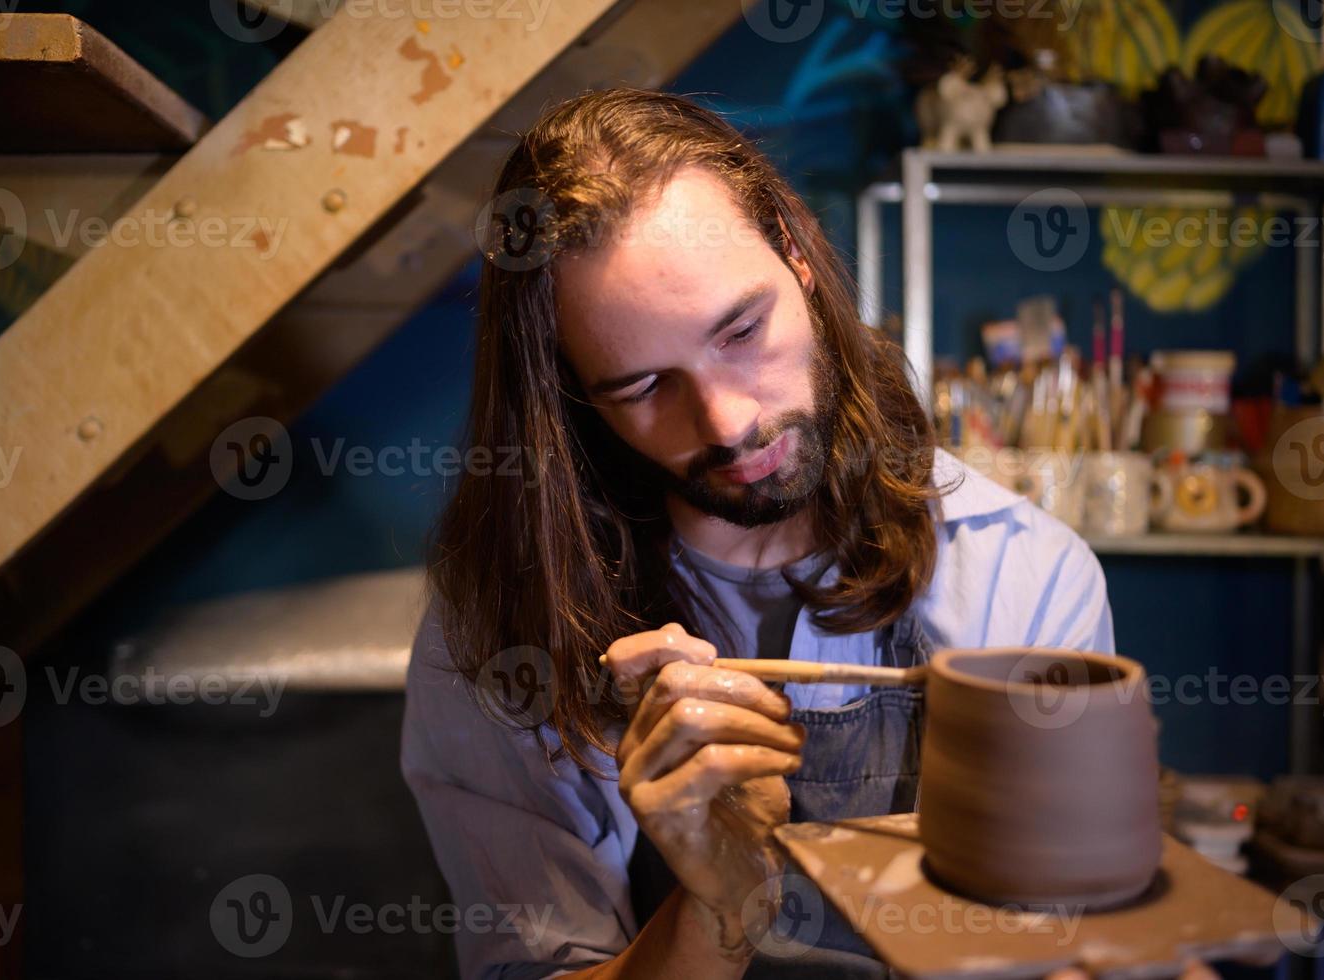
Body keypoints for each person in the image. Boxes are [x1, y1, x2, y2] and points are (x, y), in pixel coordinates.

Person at [400, 88, 1113, 979]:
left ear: (795, 251)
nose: (727, 421)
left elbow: (1052, 943)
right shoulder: (502, 625)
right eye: (640, 387)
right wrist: (718, 903)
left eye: (740, 331)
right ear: (572, 394)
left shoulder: (1022, 571)